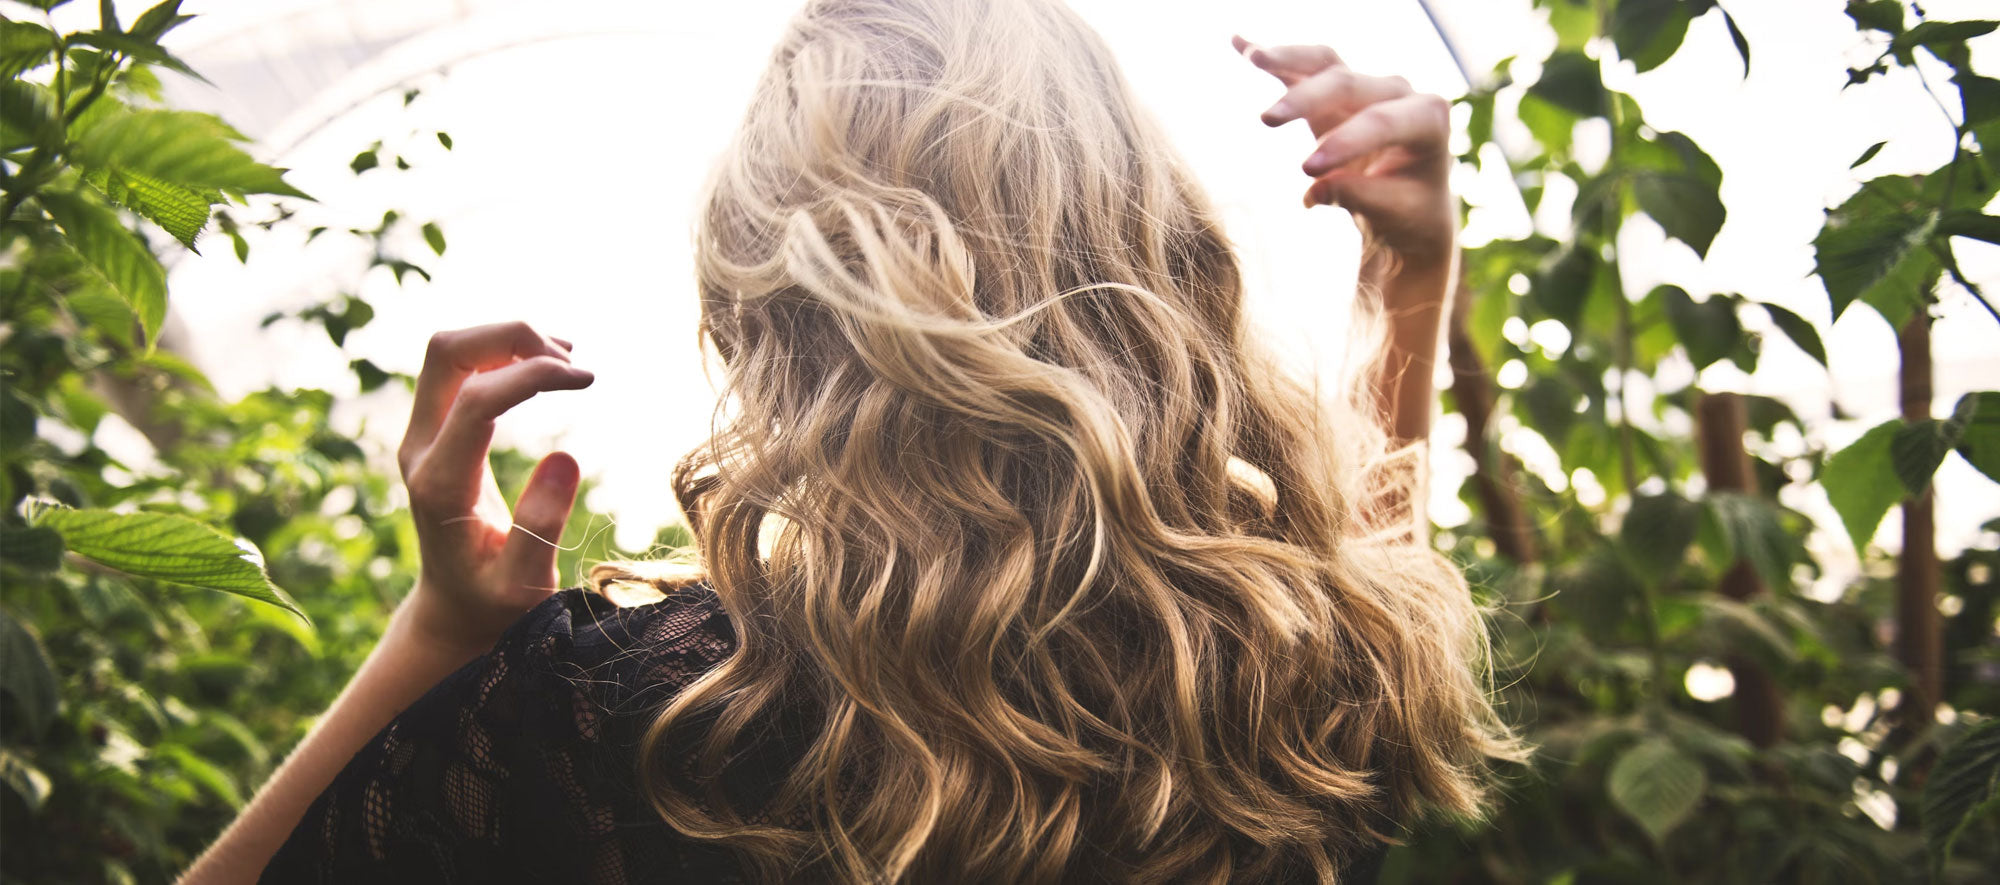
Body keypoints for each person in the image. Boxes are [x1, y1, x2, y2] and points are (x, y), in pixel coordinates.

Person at [184, 0, 1515, 881]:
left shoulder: (638, 716)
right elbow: (1370, 586)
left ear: (766, 306)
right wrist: (1407, 277)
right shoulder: (1282, 671)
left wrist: (442, 637)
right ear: (1144, 241)